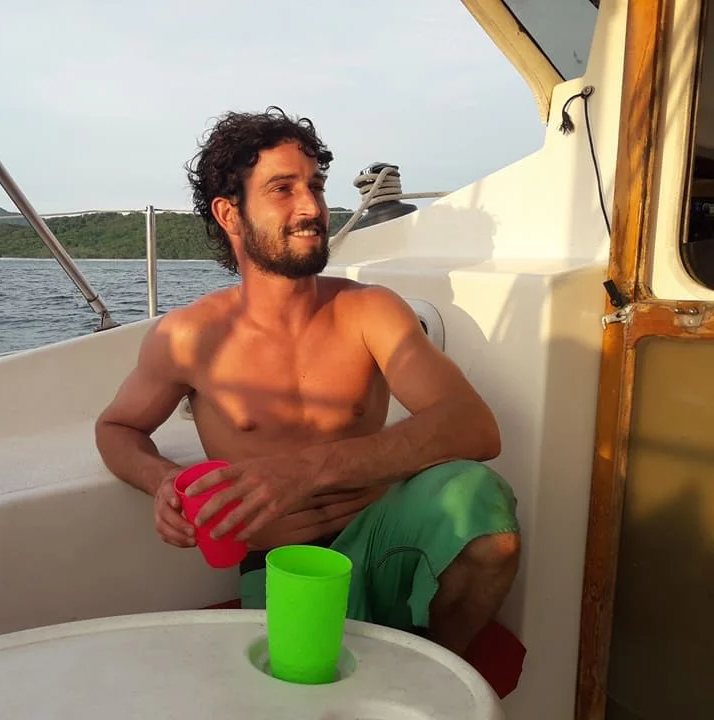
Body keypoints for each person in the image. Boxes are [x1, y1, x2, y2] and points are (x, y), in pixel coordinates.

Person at [94, 106, 519, 656]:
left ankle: (441, 669)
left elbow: (474, 427)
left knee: (480, 503)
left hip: (382, 535)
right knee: (306, 681)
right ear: (230, 214)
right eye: (283, 189)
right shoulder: (187, 337)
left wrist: (306, 471)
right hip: (279, 564)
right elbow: (117, 428)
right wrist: (163, 481)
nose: (312, 207)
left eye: (315, 186)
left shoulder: (371, 312)